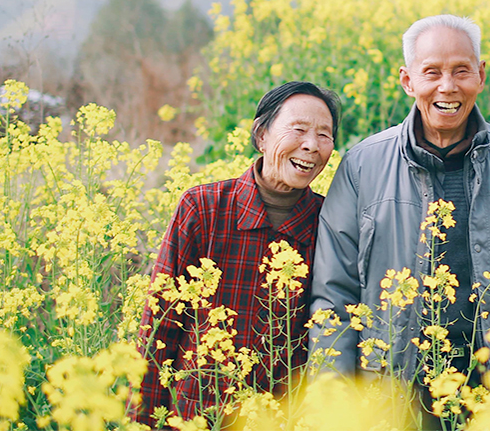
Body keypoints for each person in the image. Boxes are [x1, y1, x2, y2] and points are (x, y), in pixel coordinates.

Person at [309, 15, 490, 396]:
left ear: (481, 76)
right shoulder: (362, 166)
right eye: (431, 72)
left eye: (461, 71)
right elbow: (334, 297)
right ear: (407, 80)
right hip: (394, 393)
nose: (447, 87)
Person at [133, 81, 341, 427]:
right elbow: (159, 326)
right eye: (299, 130)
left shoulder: (331, 221)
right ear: (261, 136)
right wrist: (141, 420)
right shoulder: (203, 209)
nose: (311, 145)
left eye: (324, 135)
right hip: (198, 415)